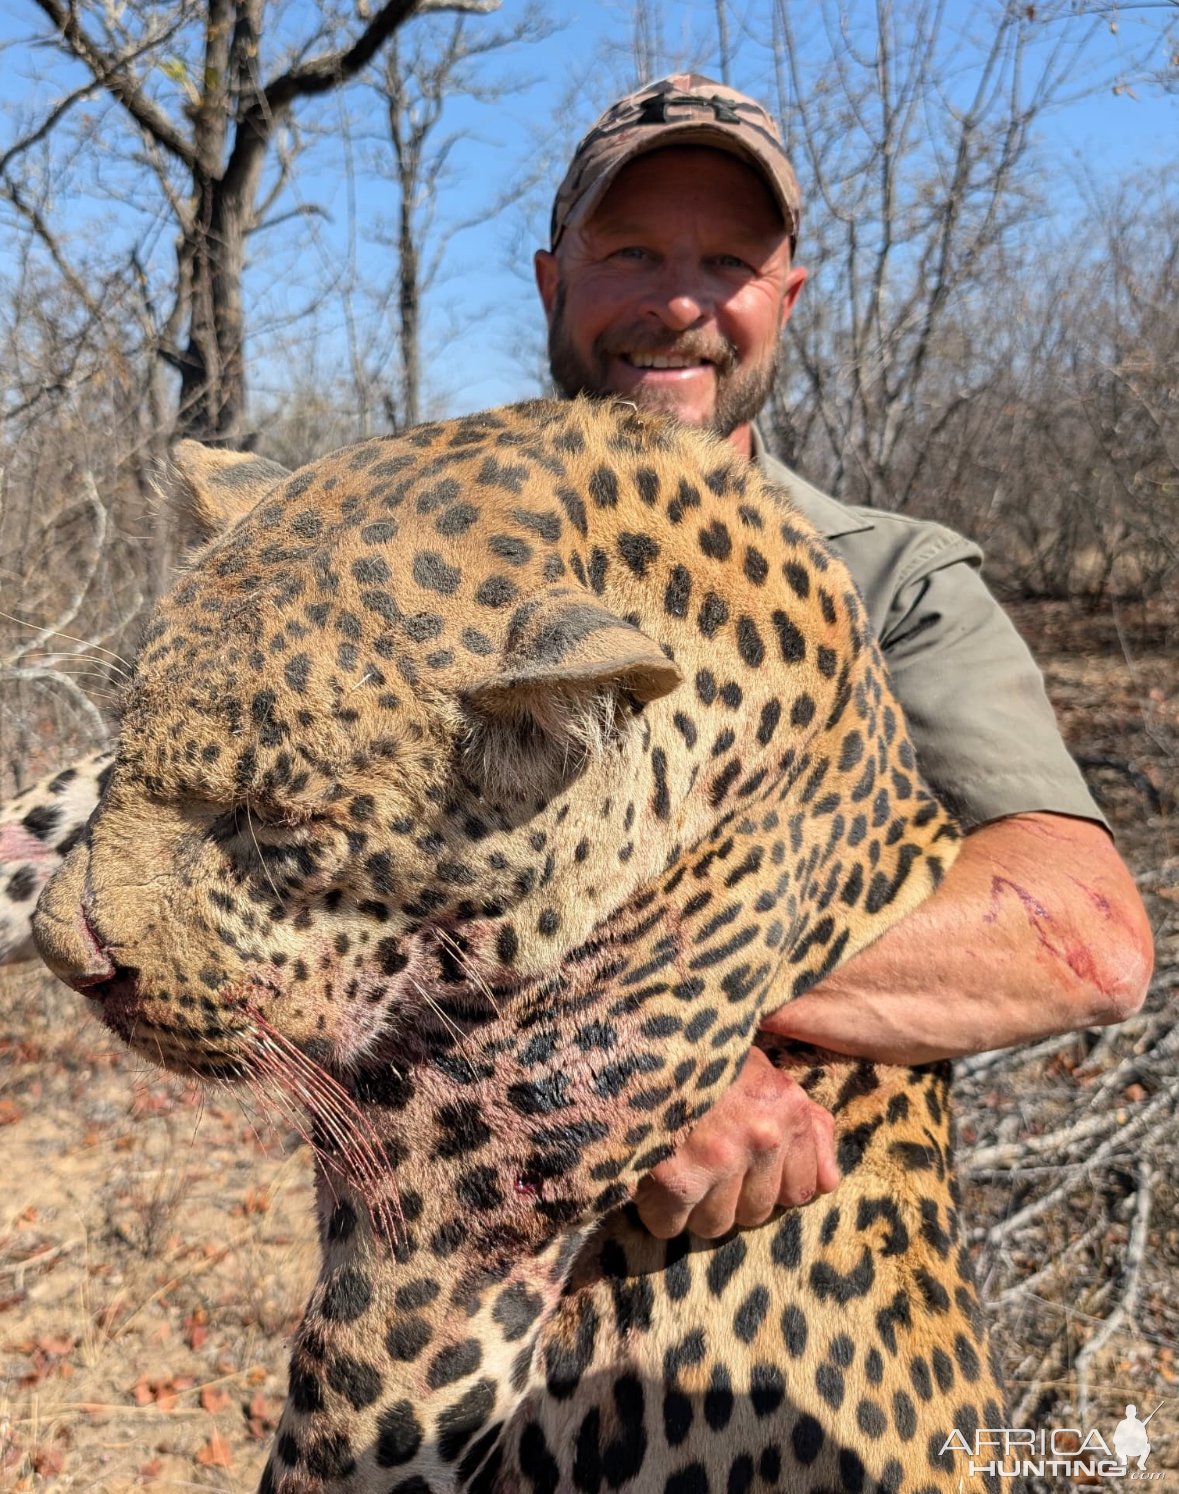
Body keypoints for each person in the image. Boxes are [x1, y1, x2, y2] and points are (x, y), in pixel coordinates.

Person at [534, 74, 1154, 1240]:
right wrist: (579, 1036)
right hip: (445, 1323)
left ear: (790, 297)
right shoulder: (428, 550)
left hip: (790, 1346)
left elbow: (1087, 938)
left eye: (731, 264)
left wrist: (645, 1013)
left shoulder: (896, 580)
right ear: (551, 279)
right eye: (627, 251)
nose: (679, 303)